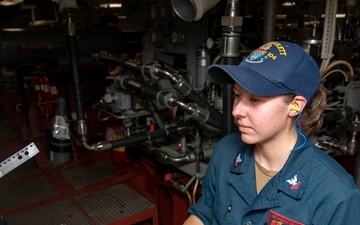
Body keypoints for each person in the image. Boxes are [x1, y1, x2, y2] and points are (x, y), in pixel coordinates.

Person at [183, 41, 360, 225]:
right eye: (237, 95)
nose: (236, 111)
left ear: (294, 106)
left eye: (255, 99)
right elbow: (203, 215)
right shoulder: (226, 150)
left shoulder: (337, 195)